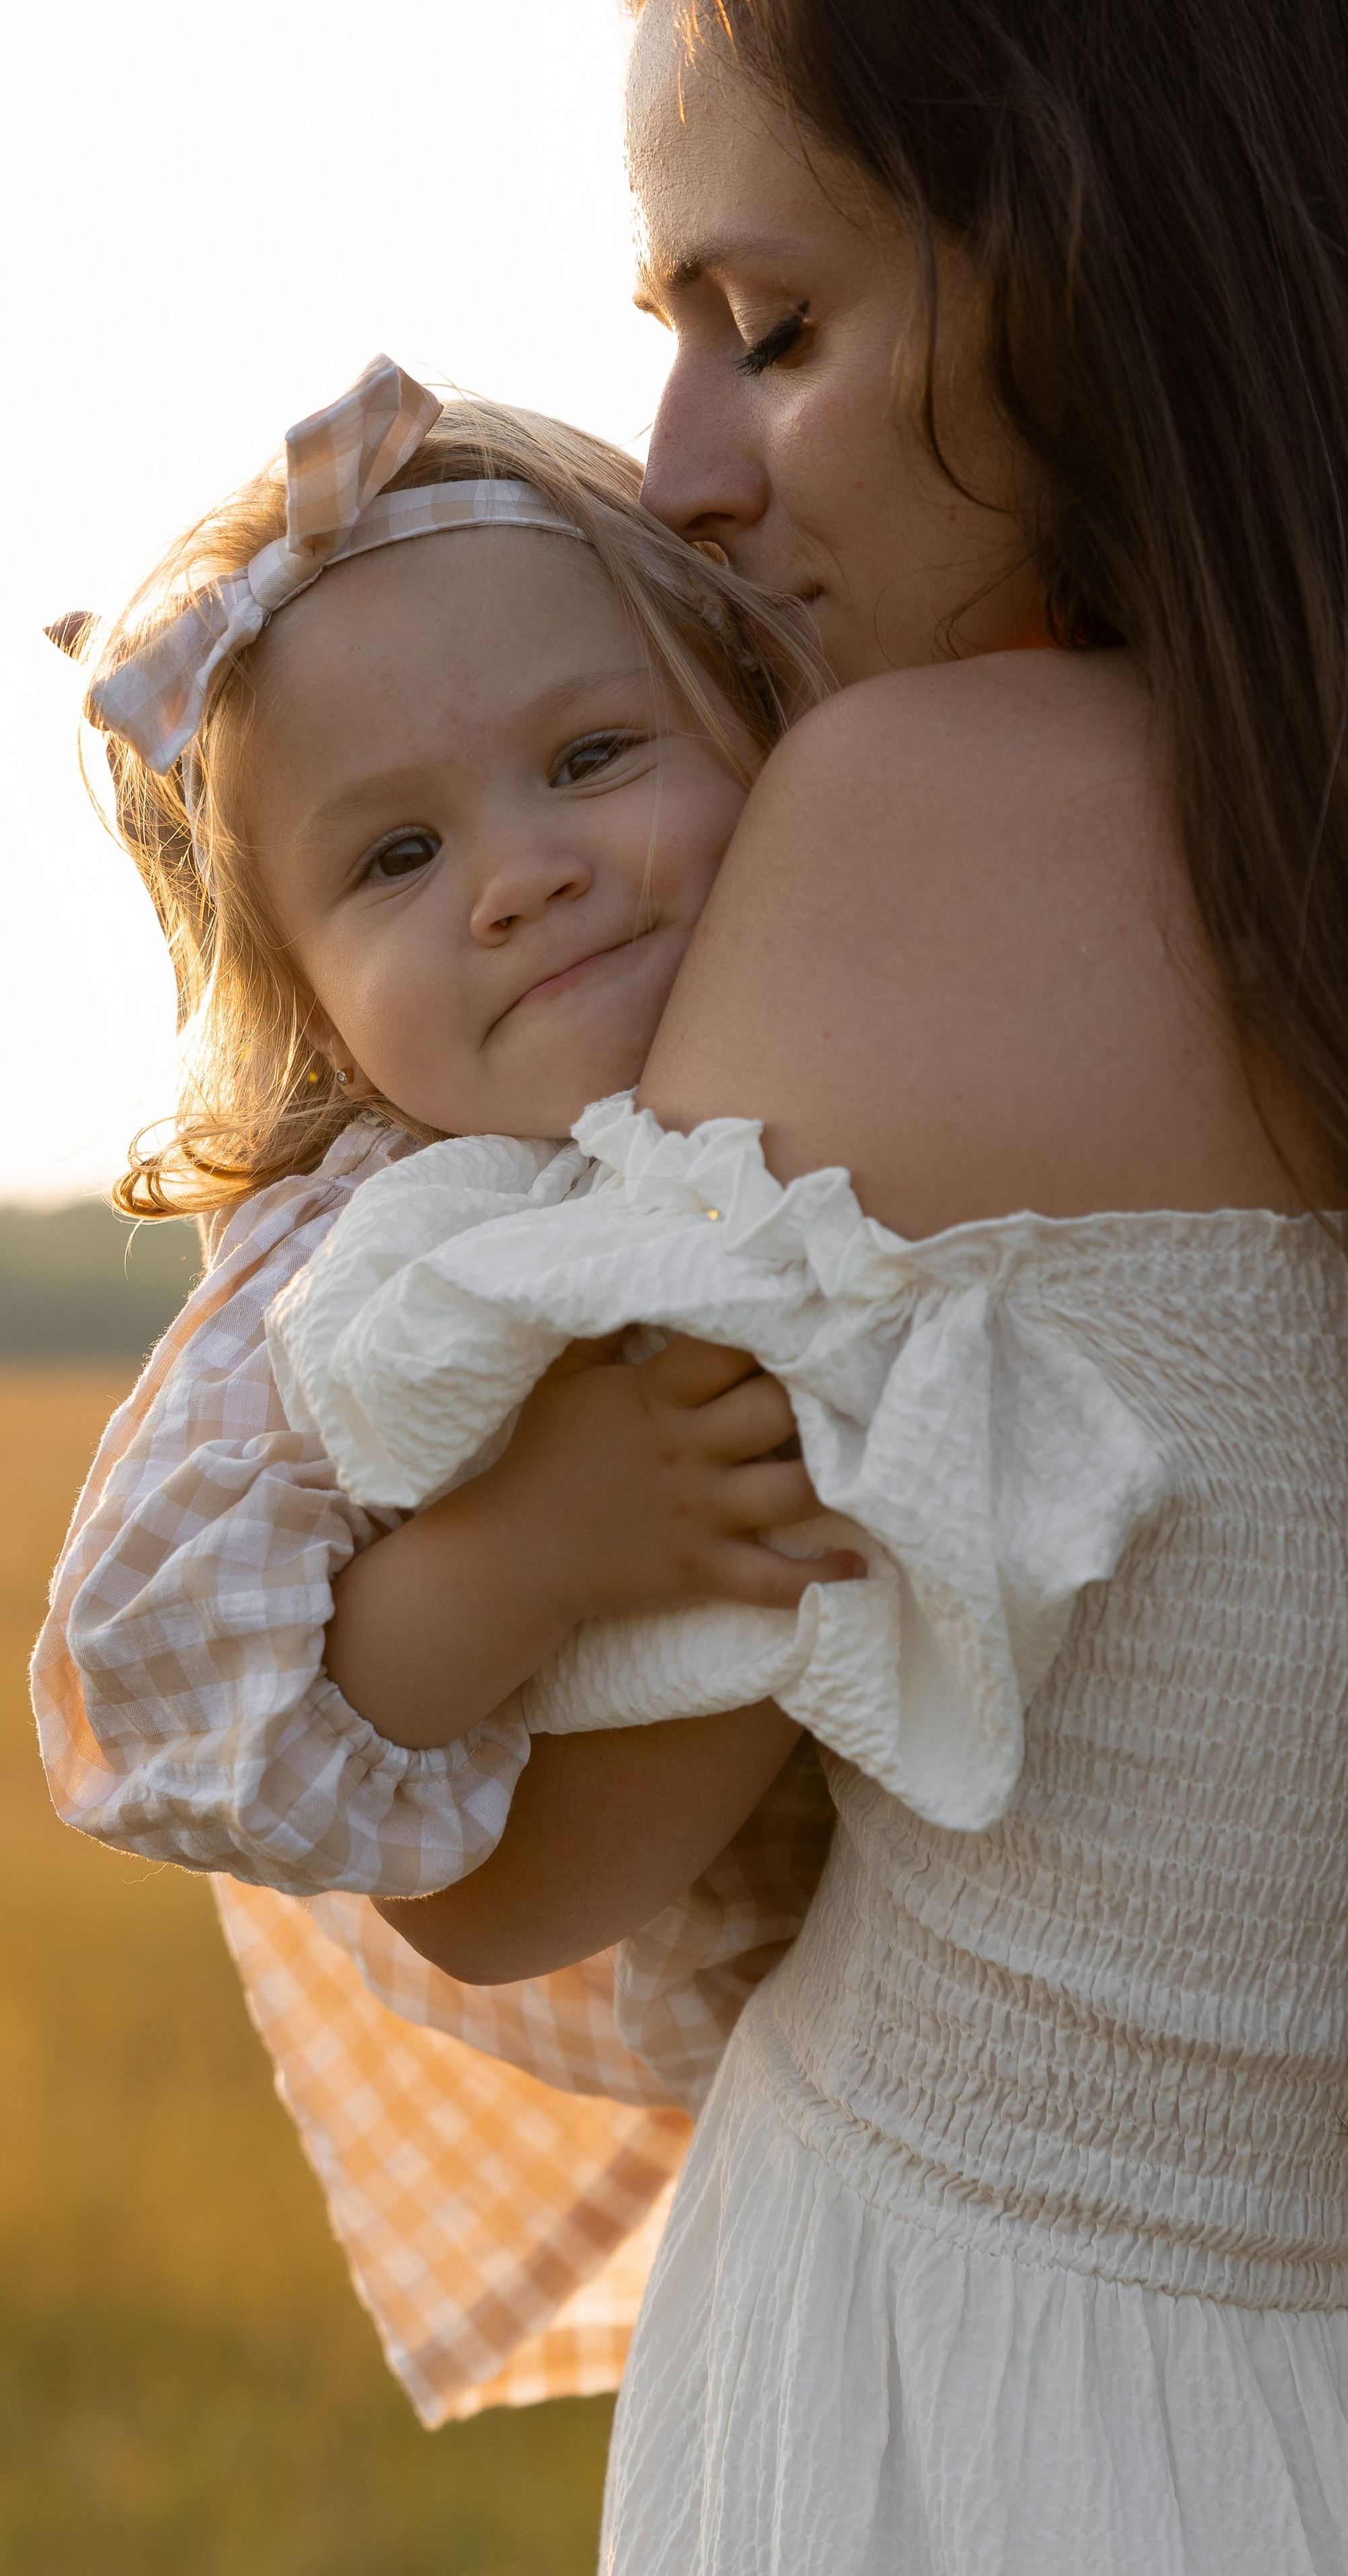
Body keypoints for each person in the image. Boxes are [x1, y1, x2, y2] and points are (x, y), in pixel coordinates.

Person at [364, 3, 1348, 2567]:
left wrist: (454, 1558)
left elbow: (531, 1878)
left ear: (1093, 259)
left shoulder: (916, 824)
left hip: (979, 2384)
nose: (683, 470)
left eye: (773, 328)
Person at [32, 356, 856, 2423]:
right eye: (392, 860)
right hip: (801, 2045)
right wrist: (540, 1539)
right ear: (302, 998)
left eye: (591, 754)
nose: (520, 873)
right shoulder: (387, 1247)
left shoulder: (865, 1021)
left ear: (761, 718)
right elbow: (191, 1680)